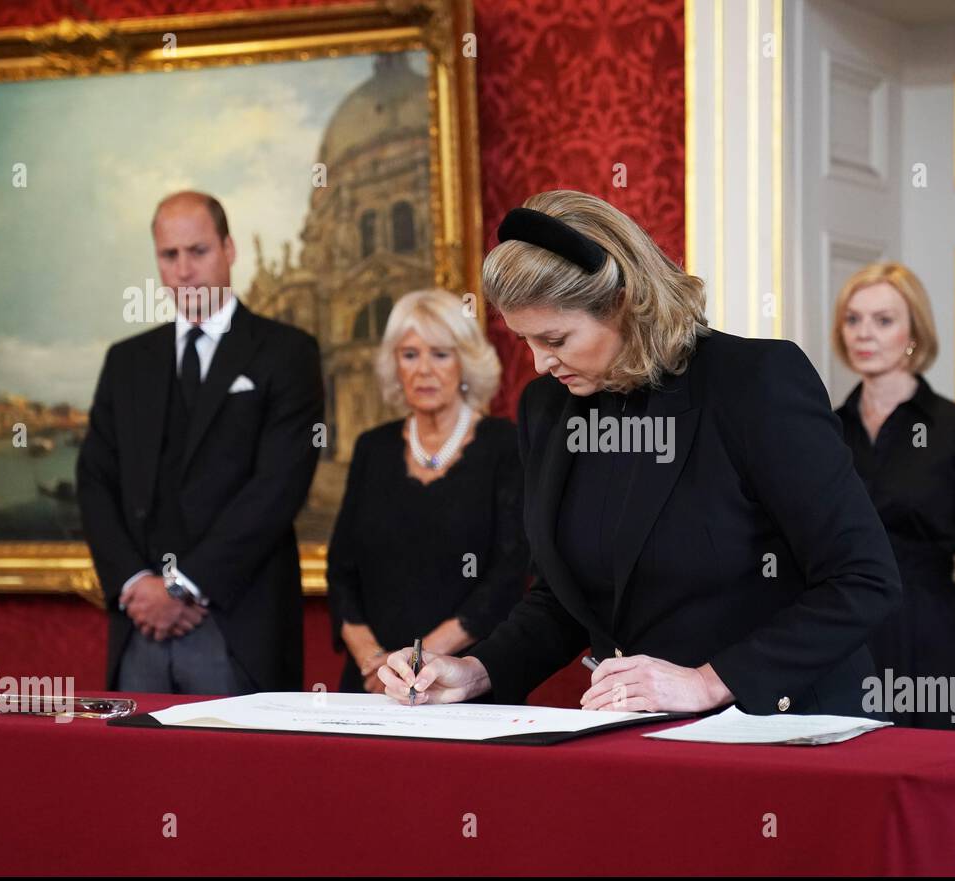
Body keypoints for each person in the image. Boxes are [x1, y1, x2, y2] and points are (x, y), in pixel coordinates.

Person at [378, 189, 901, 715]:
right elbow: (567, 601)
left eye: (556, 339)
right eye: (525, 342)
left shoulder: (754, 383)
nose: (540, 363)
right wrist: (477, 670)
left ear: (623, 303)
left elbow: (861, 580)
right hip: (639, 739)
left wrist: (708, 682)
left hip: (786, 733)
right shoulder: (548, 408)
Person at [77, 190, 324, 695]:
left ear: (229, 249)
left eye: (199, 251)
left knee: (239, 775)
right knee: (137, 774)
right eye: (170, 255)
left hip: (239, 625)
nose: (184, 270)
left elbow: (278, 486)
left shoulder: (287, 352)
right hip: (138, 626)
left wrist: (181, 587)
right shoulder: (127, 362)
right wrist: (136, 587)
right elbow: (94, 481)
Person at [833, 263, 955, 730]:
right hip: (842, 638)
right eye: (853, 319)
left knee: (936, 788)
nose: (863, 334)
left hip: (935, 639)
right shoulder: (824, 430)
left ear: (914, 332)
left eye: (883, 320)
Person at [327, 289, 528, 693]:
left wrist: (418, 662)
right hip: (372, 683)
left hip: (462, 683)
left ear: (465, 361)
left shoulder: (505, 445)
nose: (423, 370)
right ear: (393, 365)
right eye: (409, 354)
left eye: (440, 354)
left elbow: (508, 575)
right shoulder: (373, 447)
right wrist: (375, 663)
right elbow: (341, 570)